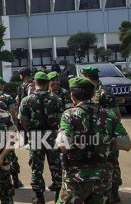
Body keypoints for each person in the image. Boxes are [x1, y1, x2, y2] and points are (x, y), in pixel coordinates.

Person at [55, 77, 131, 203]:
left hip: (76, 177)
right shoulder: (108, 114)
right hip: (102, 176)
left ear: (72, 96)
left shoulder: (69, 115)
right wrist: (104, 142)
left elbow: (63, 144)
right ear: (92, 94)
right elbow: (126, 144)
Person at [18, 72, 62, 204]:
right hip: (52, 135)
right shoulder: (56, 99)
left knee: (36, 168)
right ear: (47, 82)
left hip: (35, 135)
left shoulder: (26, 100)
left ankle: (39, 197)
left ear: (35, 82)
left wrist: (30, 131)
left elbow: (23, 121)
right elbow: (61, 119)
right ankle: (59, 196)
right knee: (56, 166)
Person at [81, 66, 122, 202]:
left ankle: (114, 191)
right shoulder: (94, 92)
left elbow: (116, 116)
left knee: (111, 162)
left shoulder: (103, 93)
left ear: (86, 76)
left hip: (105, 135)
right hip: (95, 134)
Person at [0, 75, 23, 189]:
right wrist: (15, 126)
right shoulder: (6, 97)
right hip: (5, 129)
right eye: (2, 84)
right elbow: (12, 111)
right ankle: (15, 180)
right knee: (11, 156)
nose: (3, 86)